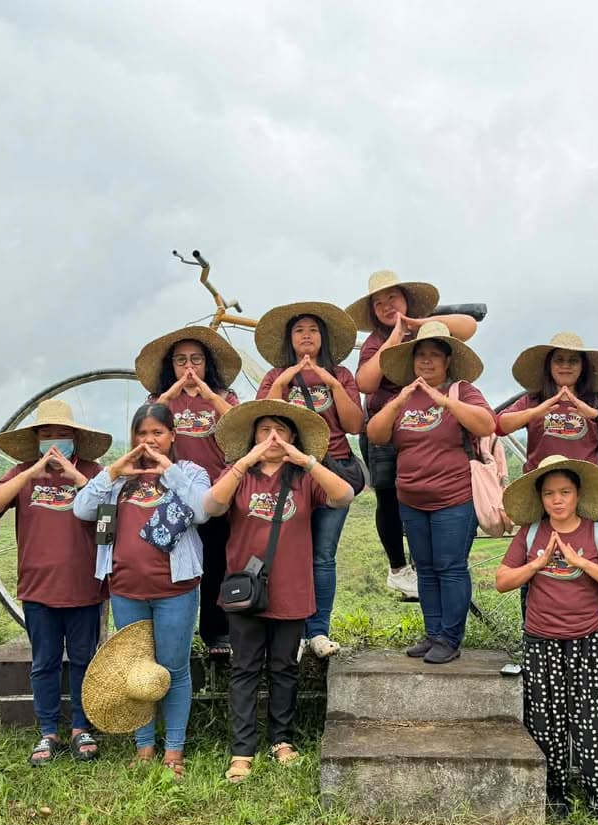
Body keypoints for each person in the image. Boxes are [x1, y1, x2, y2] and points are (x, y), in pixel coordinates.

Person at [204, 400, 354, 783]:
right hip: (245, 590)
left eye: (281, 431)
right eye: (264, 430)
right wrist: (244, 462)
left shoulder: (303, 478)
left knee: (284, 669)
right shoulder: (240, 474)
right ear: (252, 437)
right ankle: (242, 749)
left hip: (292, 588)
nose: (272, 437)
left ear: (293, 438)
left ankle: (281, 740)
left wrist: (306, 461)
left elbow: (343, 496)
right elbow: (212, 506)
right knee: (244, 669)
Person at [72, 403, 210, 778]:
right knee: (136, 670)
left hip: (175, 589)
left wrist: (170, 471)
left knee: (173, 669)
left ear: (172, 436)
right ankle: (144, 746)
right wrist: (114, 470)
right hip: (125, 589)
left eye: (157, 433)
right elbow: (82, 509)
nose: (149, 440)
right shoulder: (120, 480)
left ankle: (174, 751)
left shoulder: (191, 473)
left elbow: (202, 511)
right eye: (142, 433)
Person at [494, 456, 598, 823]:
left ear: (578, 495)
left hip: (590, 641)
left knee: (596, 721)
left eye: (565, 492)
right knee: (545, 721)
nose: (557, 500)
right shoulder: (530, 534)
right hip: (541, 641)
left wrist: (581, 562)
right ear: (540, 498)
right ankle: (554, 795)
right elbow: (502, 581)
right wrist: (536, 565)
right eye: (549, 493)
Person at [0, 400, 113, 766]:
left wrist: (76, 477)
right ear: (36, 439)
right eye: (47, 434)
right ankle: (49, 731)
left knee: (84, 659)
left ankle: (82, 728)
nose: (55, 440)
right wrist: (32, 472)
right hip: (38, 587)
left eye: (63, 434)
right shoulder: (23, 473)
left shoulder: (93, 471)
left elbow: (111, 516)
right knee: (45, 662)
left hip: (85, 586)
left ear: (76, 438)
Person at [366, 320, 494, 664]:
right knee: (424, 568)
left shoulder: (462, 391)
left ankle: (450, 638)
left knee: (450, 567)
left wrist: (443, 401)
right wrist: (399, 401)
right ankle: (433, 633)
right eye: (420, 354)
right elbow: (376, 434)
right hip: (411, 498)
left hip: (454, 498)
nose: (426, 360)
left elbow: (486, 424)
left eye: (435, 354)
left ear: (447, 360)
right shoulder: (402, 396)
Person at [348, 270, 478, 599]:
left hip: (435, 421)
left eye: (392, 298)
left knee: (438, 490)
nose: (386, 306)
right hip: (388, 424)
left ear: (406, 299)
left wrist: (418, 324)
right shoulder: (376, 342)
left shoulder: (428, 326)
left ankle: (429, 563)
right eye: (378, 303)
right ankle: (398, 569)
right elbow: (365, 383)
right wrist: (394, 337)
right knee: (388, 495)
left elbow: (467, 326)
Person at [255, 301, 364, 658]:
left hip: (331, 470)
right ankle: (293, 629)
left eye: (313, 330)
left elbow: (354, 424)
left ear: (323, 337)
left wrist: (331, 382)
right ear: (289, 338)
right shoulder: (275, 376)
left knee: (323, 555)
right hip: (288, 472)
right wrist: (284, 379)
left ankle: (318, 630)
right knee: (290, 552)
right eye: (299, 330)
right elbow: (263, 419)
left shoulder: (341, 374)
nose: (306, 336)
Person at [135, 326, 242, 657]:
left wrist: (209, 395)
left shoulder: (224, 396)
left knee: (215, 562)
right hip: (169, 492)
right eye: (181, 360)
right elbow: (146, 425)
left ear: (208, 363)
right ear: (171, 365)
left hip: (216, 491)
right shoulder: (159, 400)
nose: (189, 367)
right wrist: (171, 393)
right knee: (168, 562)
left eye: (196, 359)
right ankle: (167, 633)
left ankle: (216, 633)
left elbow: (241, 425)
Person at [497, 332, 598, 469]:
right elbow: (499, 426)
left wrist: (595, 414)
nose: (566, 366)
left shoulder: (595, 398)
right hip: (541, 481)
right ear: (549, 366)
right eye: (559, 360)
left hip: (586, 481)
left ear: (582, 367)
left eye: (573, 361)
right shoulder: (533, 400)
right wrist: (534, 413)